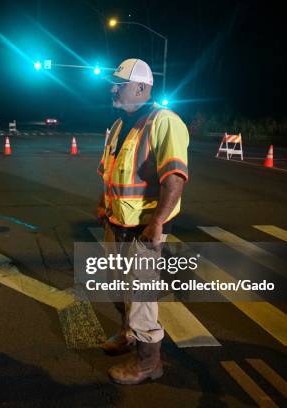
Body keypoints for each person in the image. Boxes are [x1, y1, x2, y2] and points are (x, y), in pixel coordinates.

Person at [96, 59, 189, 384]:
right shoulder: (122, 124)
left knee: (142, 297)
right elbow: (109, 171)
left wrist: (158, 221)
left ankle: (149, 362)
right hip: (117, 223)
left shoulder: (163, 121)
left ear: (141, 88)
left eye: (118, 84)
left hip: (145, 228)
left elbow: (174, 177)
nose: (112, 89)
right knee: (119, 286)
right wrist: (102, 206)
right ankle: (129, 333)